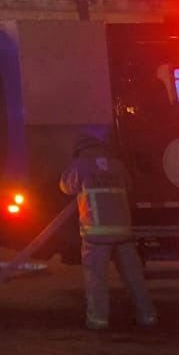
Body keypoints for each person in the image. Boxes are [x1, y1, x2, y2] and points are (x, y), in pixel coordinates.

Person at [59, 131, 157, 331]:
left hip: (97, 234)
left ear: (79, 150)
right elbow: (128, 186)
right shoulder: (117, 165)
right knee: (133, 277)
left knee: (96, 278)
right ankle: (148, 316)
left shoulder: (80, 165)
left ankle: (98, 320)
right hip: (123, 233)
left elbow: (65, 187)